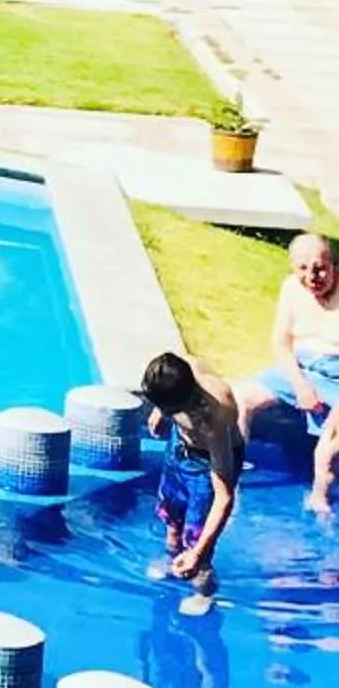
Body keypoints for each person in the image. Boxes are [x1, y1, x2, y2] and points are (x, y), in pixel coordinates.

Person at [141, 350, 245, 610]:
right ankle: (172, 557)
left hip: (207, 464)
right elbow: (182, 363)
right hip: (179, 449)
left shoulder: (212, 422)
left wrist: (197, 554)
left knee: (197, 538)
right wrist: (159, 410)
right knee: (172, 517)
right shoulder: (185, 371)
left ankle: (204, 589)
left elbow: (225, 498)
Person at [256, 230, 339, 519]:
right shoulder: (292, 288)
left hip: (336, 373)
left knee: (327, 446)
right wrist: (301, 386)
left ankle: (319, 498)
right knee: (240, 400)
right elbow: (281, 343)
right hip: (299, 366)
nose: (312, 276)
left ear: (333, 265)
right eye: (303, 268)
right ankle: (228, 481)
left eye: (320, 268)